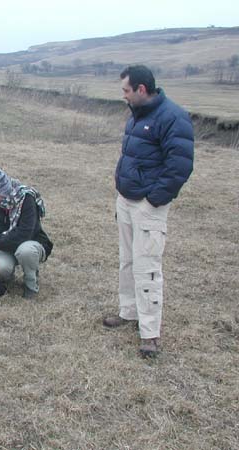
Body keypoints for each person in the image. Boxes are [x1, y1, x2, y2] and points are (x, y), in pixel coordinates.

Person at [104, 65, 194, 358]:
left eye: (126, 91)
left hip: (147, 206)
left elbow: (179, 166)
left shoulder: (172, 117)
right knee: (127, 261)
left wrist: (153, 200)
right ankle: (128, 312)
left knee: (148, 267)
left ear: (142, 89)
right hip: (126, 201)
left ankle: (150, 333)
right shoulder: (137, 115)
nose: (124, 96)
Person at [0, 168, 53, 299]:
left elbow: (24, 234)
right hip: (8, 245)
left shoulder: (27, 198)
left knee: (25, 251)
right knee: (0, 267)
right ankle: (7, 281)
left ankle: (31, 284)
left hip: (31, 243)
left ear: (4, 190)